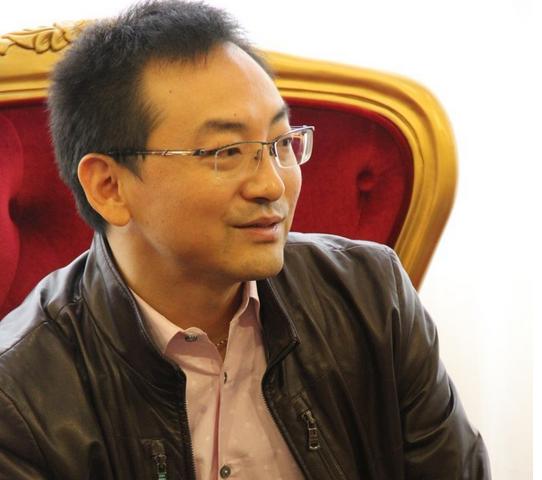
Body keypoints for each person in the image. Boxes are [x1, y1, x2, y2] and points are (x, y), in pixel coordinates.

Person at [0, 1, 491, 479]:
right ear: (109, 186)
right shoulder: (20, 396)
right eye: (227, 151)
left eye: (281, 144)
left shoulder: (371, 296)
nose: (272, 185)